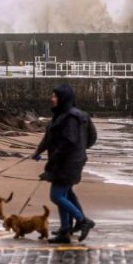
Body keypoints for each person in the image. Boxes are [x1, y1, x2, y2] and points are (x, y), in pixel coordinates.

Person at [33, 83, 96, 244]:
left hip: (68, 163)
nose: (52, 98)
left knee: (56, 195)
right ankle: (64, 231)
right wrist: (38, 152)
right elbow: (49, 138)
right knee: (65, 194)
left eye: (55, 96)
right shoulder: (63, 115)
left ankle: (82, 221)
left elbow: (68, 142)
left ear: (63, 98)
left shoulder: (70, 117)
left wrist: (53, 160)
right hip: (69, 161)